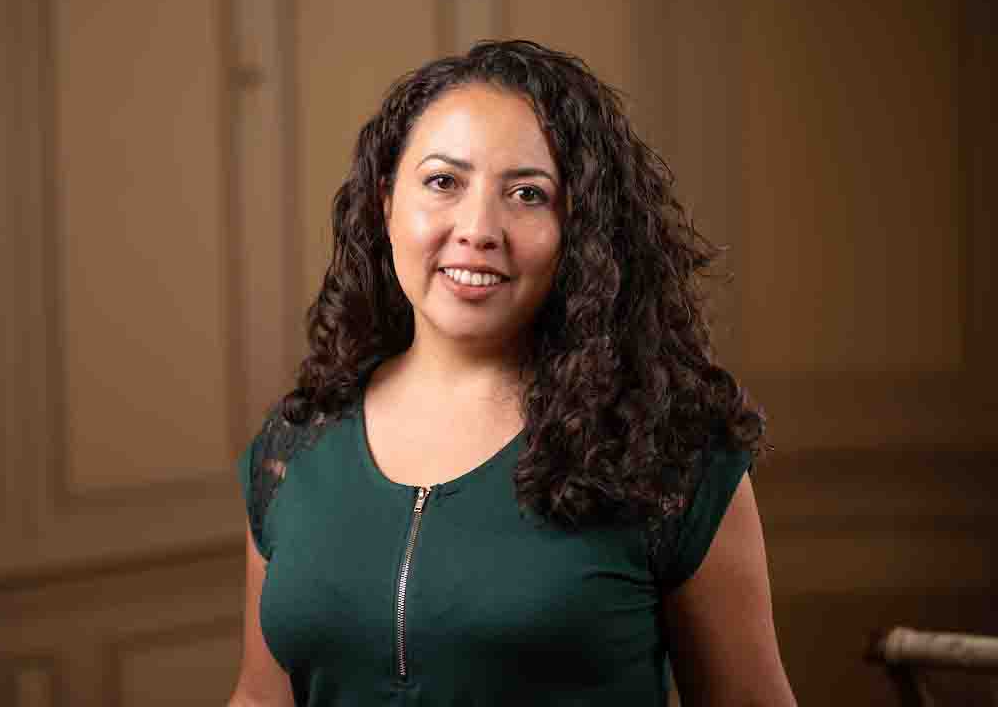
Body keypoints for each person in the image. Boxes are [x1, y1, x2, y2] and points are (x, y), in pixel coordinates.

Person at [228, 40, 796, 705]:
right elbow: (259, 698)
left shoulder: (670, 450)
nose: (478, 228)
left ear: (579, 228)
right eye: (443, 182)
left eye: (528, 194)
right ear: (386, 202)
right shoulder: (294, 448)